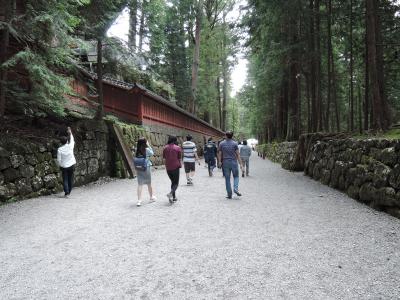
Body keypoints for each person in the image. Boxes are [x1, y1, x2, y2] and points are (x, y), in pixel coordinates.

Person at [217, 131, 243, 199]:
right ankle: (235, 188)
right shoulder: (235, 144)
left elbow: (220, 154)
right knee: (236, 176)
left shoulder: (221, 144)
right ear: (232, 136)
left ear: (226, 136)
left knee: (227, 179)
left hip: (225, 162)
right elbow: (238, 154)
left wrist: (219, 162)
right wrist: (241, 164)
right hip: (234, 162)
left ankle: (229, 194)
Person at [134, 137, 157, 207]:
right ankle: (151, 197)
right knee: (149, 183)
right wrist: (149, 145)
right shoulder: (146, 150)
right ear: (145, 143)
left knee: (140, 184)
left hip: (139, 168)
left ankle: (139, 200)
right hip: (146, 167)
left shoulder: (136, 150)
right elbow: (152, 153)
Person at [57, 126, 76, 197]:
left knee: (65, 179)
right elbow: (72, 140)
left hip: (64, 166)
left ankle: (66, 192)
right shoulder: (70, 146)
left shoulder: (59, 149)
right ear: (67, 141)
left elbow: (59, 160)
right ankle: (69, 191)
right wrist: (70, 133)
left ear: (61, 143)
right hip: (72, 165)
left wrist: (61, 165)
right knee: (70, 178)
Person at [163, 136, 182, 203]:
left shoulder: (165, 148)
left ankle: (174, 197)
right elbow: (179, 158)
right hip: (175, 167)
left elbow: (164, 157)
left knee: (173, 182)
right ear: (175, 140)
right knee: (176, 183)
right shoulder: (177, 148)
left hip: (168, 168)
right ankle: (171, 194)